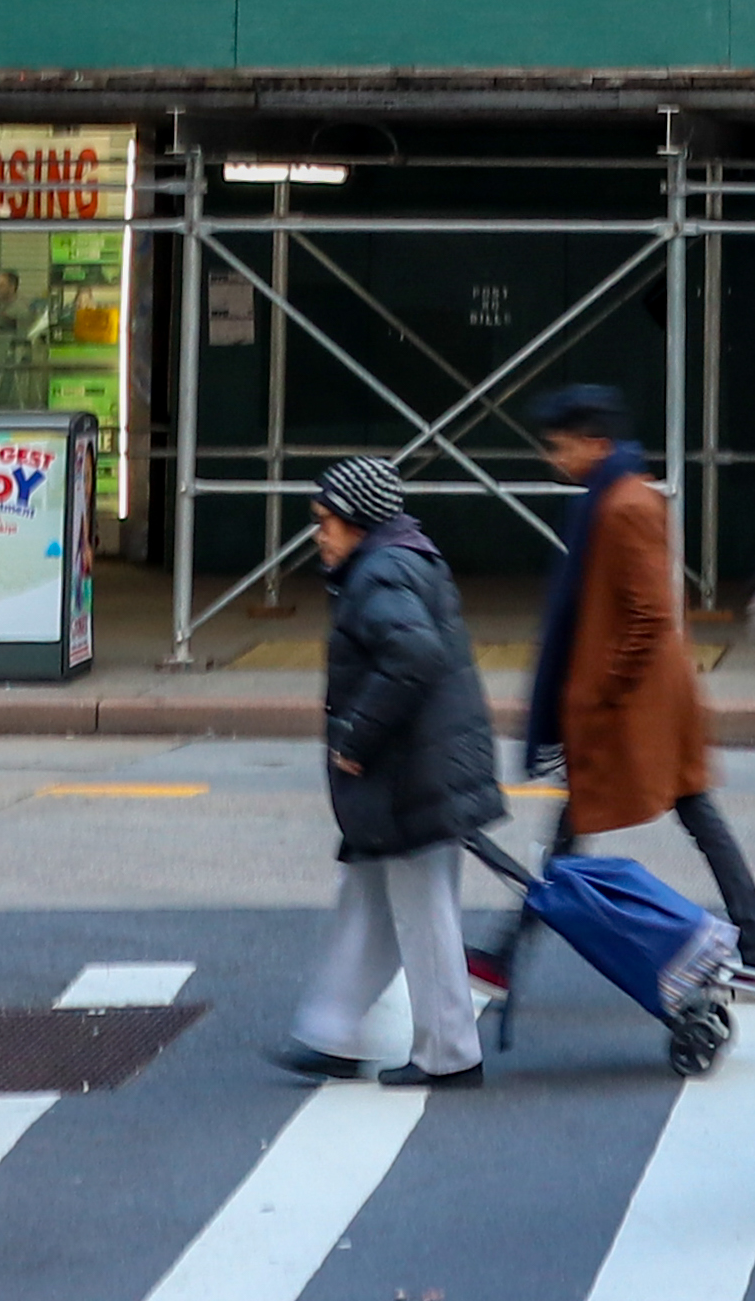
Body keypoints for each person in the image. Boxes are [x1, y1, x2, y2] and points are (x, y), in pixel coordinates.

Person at [512, 383, 755, 1006]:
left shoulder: (623, 505)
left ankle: (507, 952)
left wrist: (598, 693)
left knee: (580, 832)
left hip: (631, 709)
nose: (557, 461)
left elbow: (648, 615)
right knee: (685, 817)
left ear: (596, 443)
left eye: (562, 448)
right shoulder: (609, 498)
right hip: (645, 705)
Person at [278, 456, 496, 1091]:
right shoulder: (401, 558)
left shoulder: (380, 573)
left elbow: (414, 654)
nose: (319, 534)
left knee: (422, 913)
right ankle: (332, 1031)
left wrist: (356, 738)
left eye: (327, 522)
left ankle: (449, 1054)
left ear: (360, 521)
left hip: (410, 773)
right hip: (421, 767)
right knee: (371, 903)